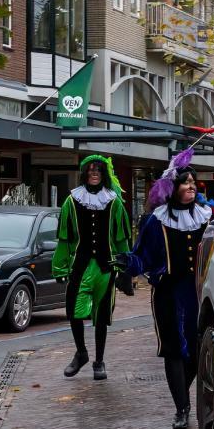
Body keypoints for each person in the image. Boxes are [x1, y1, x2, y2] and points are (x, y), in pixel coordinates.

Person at [119, 147, 213, 429]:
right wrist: (127, 264)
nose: (191, 186)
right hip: (168, 293)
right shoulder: (155, 221)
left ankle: (182, 395)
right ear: (172, 188)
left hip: (198, 292)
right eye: (185, 182)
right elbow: (142, 257)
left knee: (197, 348)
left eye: (193, 182)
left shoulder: (207, 217)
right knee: (173, 349)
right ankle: (181, 408)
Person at [52, 155, 132, 380]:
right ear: (84, 173)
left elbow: (121, 239)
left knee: (102, 315)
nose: (94, 173)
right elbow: (65, 238)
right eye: (90, 170)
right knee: (74, 311)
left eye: (98, 170)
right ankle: (81, 353)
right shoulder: (71, 201)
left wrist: (126, 267)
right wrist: (60, 267)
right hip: (80, 266)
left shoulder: (114, 202)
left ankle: (99, 361)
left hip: (106, 267)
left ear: (103, 174)